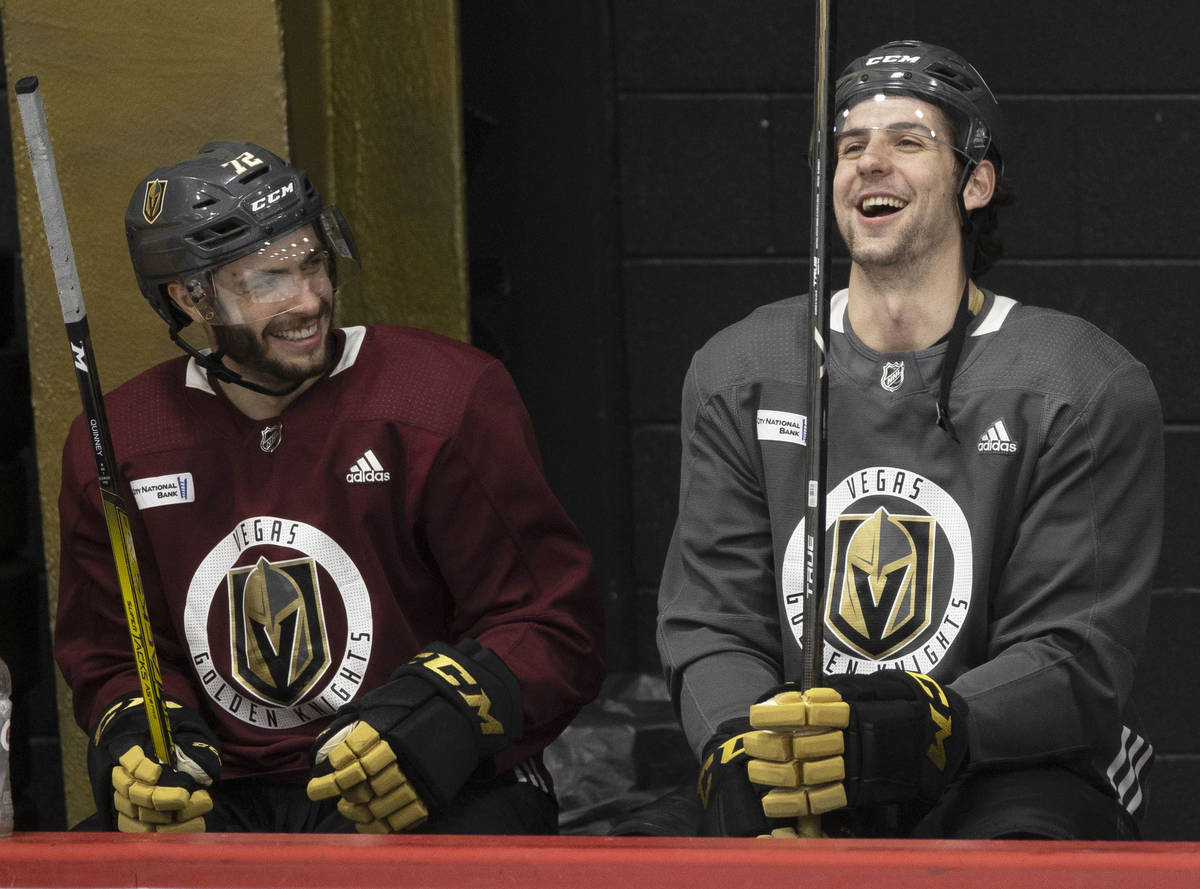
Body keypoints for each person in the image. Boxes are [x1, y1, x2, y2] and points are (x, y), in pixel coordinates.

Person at [657, 40, 1163, 840]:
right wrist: (743, 749)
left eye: (908, 140)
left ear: (977, 181)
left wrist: (923, 724)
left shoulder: (1079, 381)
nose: (869, 161)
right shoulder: (739, 368)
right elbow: (713, 619)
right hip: (807, 758)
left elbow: (1076, 651)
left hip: (1005, 769)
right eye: (850, 145)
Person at [55, 141, 604, 833]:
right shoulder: (119, 439)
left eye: (312, 260)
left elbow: (557, 624)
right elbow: (109, 648)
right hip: (231, 794)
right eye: (267, 280)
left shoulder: (446, 397)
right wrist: (139, 733)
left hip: (428, 784)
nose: (309, 298)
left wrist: (448, 717)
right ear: (188, 299)